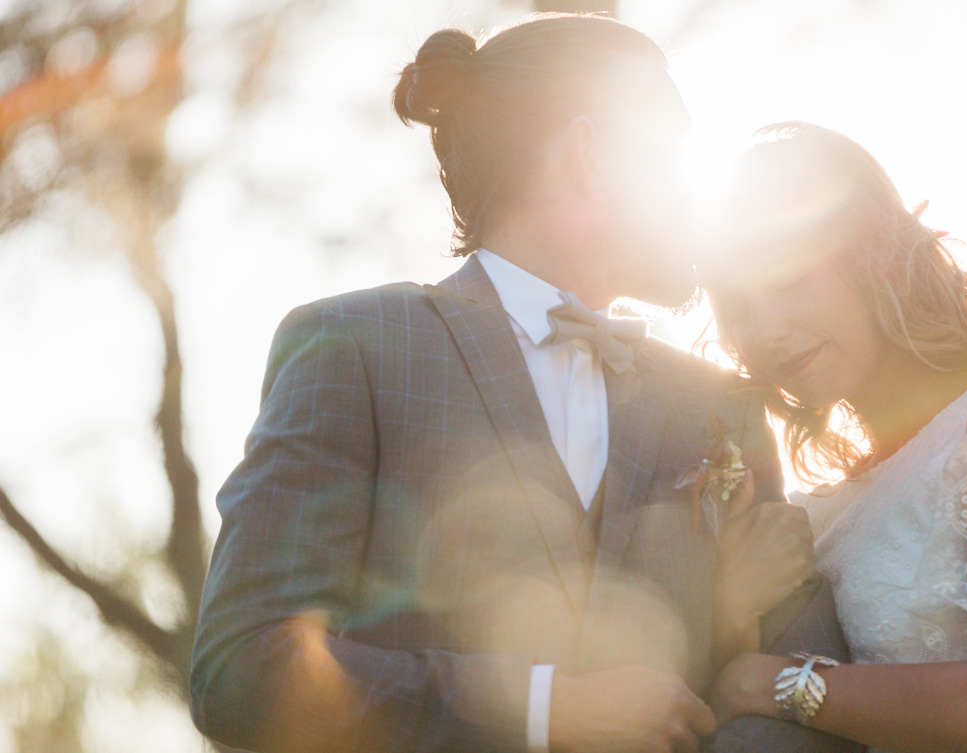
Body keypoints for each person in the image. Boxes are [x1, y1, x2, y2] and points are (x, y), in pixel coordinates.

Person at [189, 18, 852, 753]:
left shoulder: (722, 410)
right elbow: (242, 666)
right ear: (592, 153)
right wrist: (541, 711)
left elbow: (804, 695)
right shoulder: (358, 348)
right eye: (673, 152)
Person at [705, 120, 967, 753]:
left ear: (870, 259)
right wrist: (733, 605)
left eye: (791, 282)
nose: (765, 330)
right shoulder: (824, 508)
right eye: (740, 308)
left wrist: (777, 685)